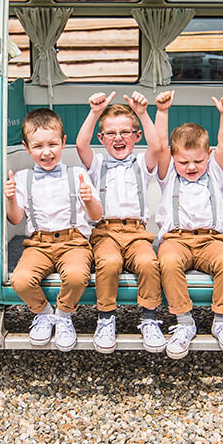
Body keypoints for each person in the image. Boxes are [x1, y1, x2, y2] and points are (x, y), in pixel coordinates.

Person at [153, 92, 223, 359]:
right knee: (167, 263)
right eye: (184, 161)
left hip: (210, 241)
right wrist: (162, 111)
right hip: (175, 240)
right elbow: (159, 144)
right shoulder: (168, 174)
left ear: (208, 156)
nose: (191, 166)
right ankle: (184, 322)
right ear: (173, 158)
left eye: (198, 161)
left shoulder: (215, 172)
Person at [5, 108, 104, 351]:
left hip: (74, 242)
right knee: (20, 280)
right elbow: (16, 219)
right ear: (27, 148)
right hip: (38, 243)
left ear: (63, 143)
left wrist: (88, 198)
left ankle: (63, 316)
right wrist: (10, 198)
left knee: (76, 276)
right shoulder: (23, 177)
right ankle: (44, 313)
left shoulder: (77, 174)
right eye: (38, 146)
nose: (46, 152)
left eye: (52, 144)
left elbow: (96, 215)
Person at [77, 91, 167, 353]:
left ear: (136, 137)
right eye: (111, 134)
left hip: (137, 232)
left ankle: (149, 318)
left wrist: (142, 114)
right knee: (109, 262)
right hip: (105, 232)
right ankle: (106, 318)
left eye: (126, 132)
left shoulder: (142, 163)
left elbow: (157, 147)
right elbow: (81, 145)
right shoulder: (97, 164)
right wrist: (95, 112)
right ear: (102, 139)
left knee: (149, 263)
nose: (118, 138)